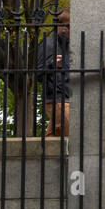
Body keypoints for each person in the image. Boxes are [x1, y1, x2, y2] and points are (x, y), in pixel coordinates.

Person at [36, 9, 70, 137]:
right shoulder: (48, 44)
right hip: (55, 97)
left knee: (54, 136)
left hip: (68, 97)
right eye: (70, 27)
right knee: (71, 132)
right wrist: (52, 65)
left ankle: (41, 157)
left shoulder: (68, 46)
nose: (72, 31)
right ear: (61, 26)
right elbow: (37, 73)